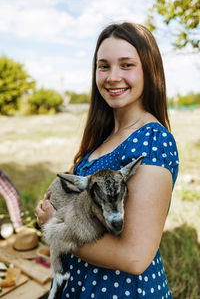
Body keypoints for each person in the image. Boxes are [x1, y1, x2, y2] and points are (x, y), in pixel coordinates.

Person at [35, 22, 179, 298]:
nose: (113, 77)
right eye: (104, 66)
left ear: (150, 71)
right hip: (82, 284)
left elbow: (134, 257)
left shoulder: (151, 140)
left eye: (126, 65)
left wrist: (55, 226)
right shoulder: (104, 138)